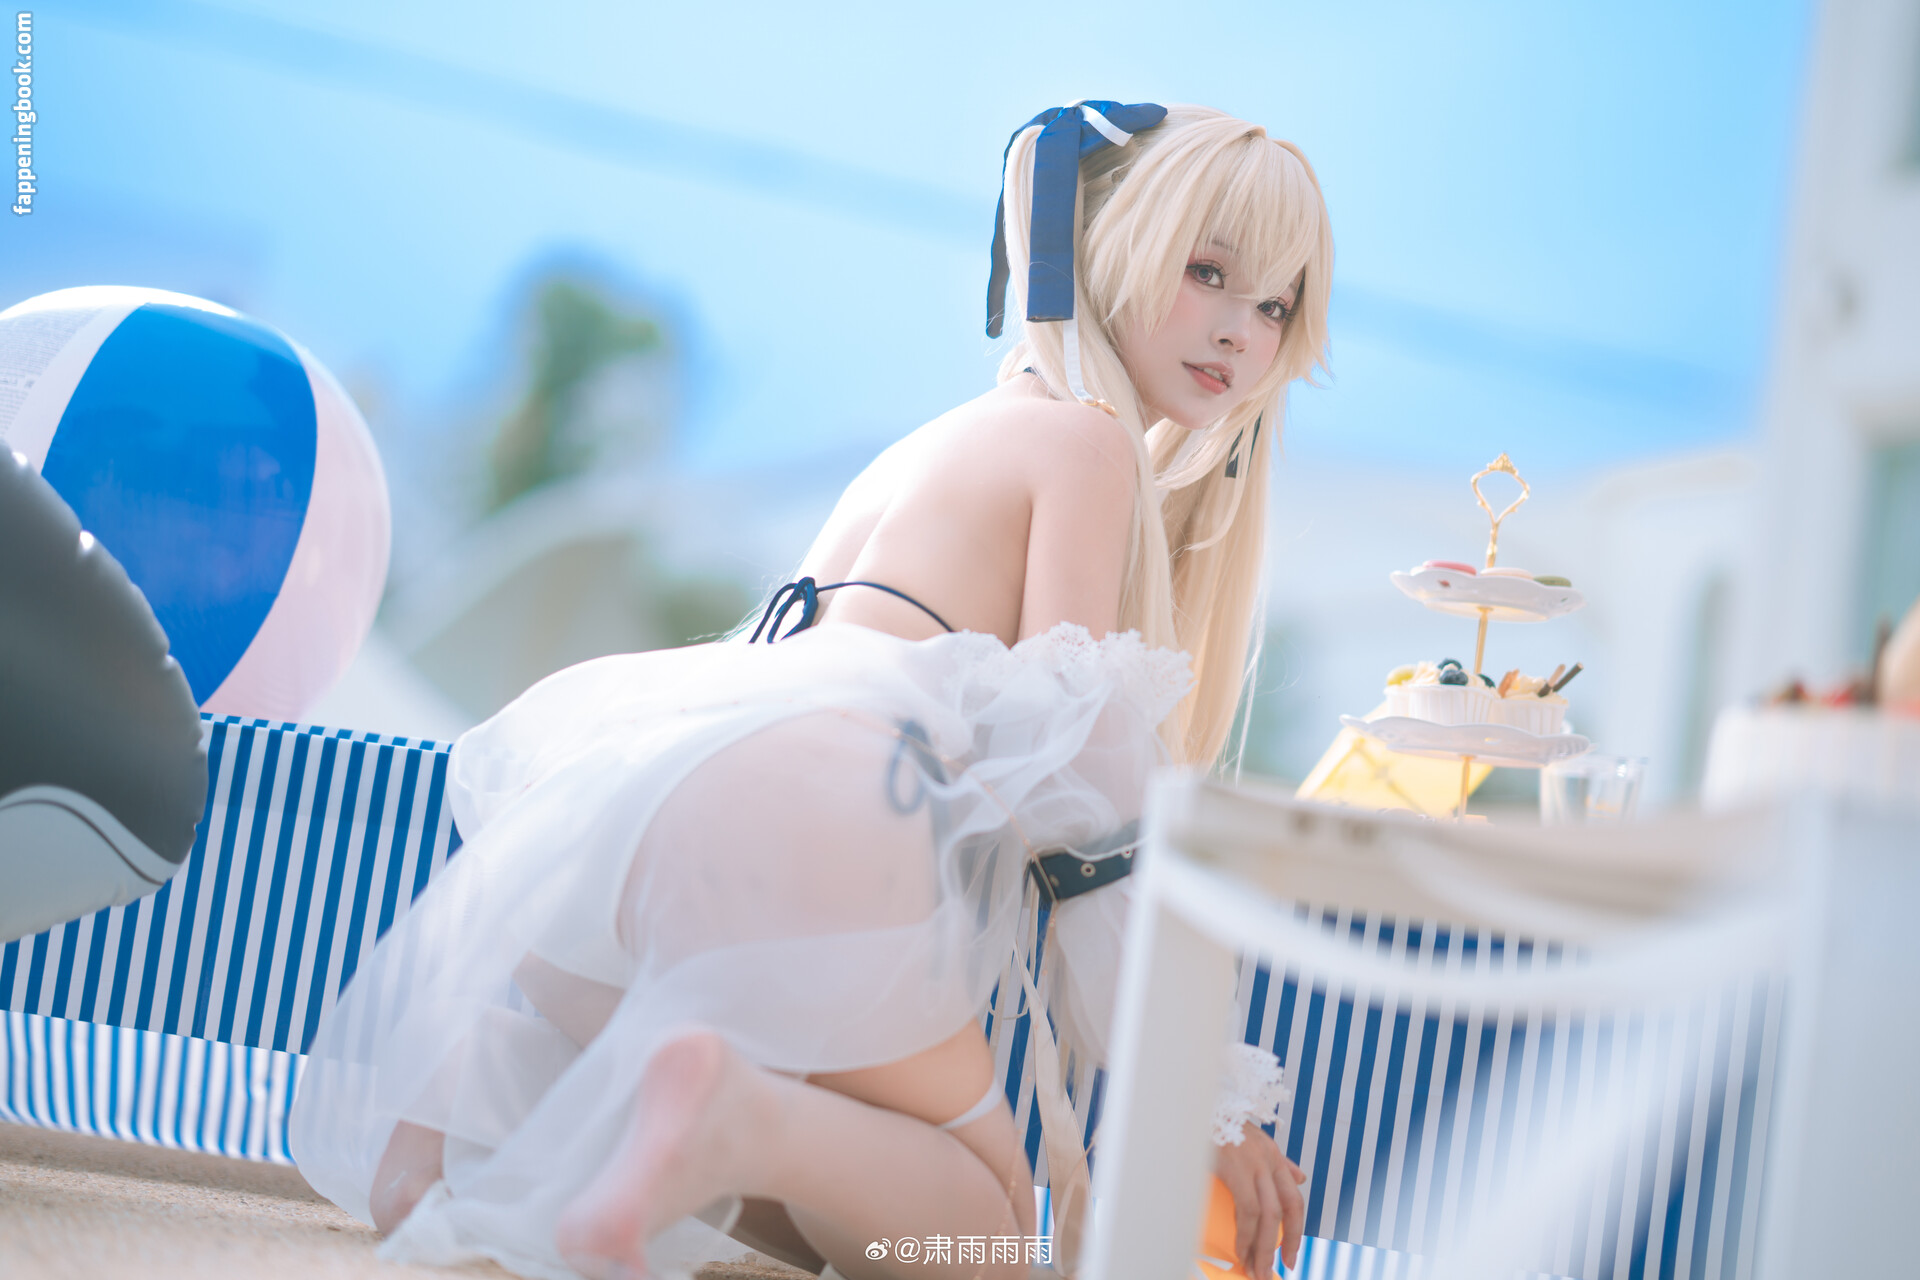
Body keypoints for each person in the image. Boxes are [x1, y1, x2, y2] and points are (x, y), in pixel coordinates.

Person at [289, 100, 1333, 1280]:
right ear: (1113, 249)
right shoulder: (1089, 445)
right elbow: (1086, 811)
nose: (1241, 329)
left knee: (821, 1202)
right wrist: (1208, 1102)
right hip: (823, 818)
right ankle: (727, 1106)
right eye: (1209, 272)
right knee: (985, 1238)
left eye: (1276, 306)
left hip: (629, 808)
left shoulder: (938, 442)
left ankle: (497, 1082)